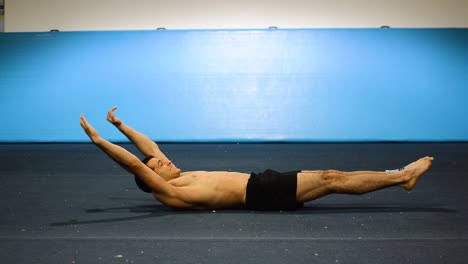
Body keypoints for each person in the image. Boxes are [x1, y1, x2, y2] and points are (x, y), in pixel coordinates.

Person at [80, 106, 434, 211]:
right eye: (158, 165)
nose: (165, 160)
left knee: (331, 179)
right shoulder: (169, 192)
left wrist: (121, 125)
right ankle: (401, 176)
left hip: (261, 182)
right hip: (262, 193)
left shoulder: (177, 176)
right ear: (150, 177)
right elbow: (134, 163)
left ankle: (399, 177)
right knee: (330, 178)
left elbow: (149, 148)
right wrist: (99, 140)